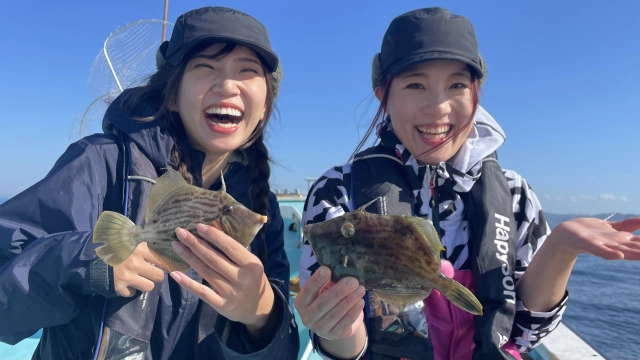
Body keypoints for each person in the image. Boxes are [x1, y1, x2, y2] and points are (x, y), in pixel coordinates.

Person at [295, 7, 640, 360]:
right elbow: (341, 348)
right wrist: (338, 328)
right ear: (384, 94)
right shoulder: (337, 191)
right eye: (416, 84)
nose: (438, 108)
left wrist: (561, 248)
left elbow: (522, 336)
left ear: (476, 92)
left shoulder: (515, 195)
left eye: (457, 85)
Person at [0, 6, 299, 360]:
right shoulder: (100, 163)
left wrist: (262, 313)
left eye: (247, 71)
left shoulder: (262, 204)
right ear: (171, 95)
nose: (228, 85)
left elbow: (285, 351)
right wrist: (90, 264)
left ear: (264, 105)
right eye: (206, 67)